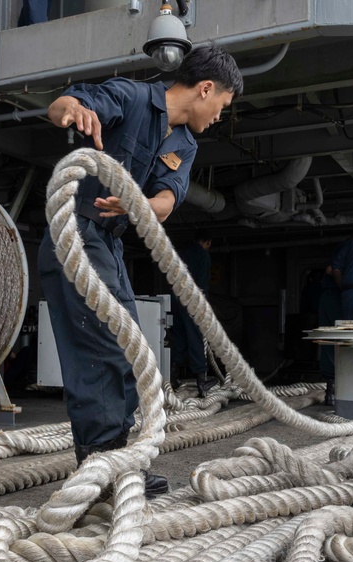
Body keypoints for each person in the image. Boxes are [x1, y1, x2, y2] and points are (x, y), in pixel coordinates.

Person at [38, 44, 242, 496]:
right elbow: (60, 105)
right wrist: (74, 111)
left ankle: (114, 457)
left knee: (129, 346)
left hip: (106, 244)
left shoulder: (185, 143)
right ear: (206, 88)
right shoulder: (130, 98)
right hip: (73, 232)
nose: (220, 116)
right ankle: (101, 466)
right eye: (222, 106)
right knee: (103, 347)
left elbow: (166, 201)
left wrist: (140, 204)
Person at [317, 222, 353, 406]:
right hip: (337, 297)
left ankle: (334, 389)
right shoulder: (351, 247)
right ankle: (338, 387)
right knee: (341, 340)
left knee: (333, 341)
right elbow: (334, 271)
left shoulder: (346, 248)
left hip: (334, 297)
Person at [170, 229, 217, 397]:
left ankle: (173, 376)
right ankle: (201, 379)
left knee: (179, 336)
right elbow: (202, 284)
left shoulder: (181, 254)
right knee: (195, 337)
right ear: (208, 242)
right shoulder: (203, 256)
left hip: (176, 300)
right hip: (192, 301)